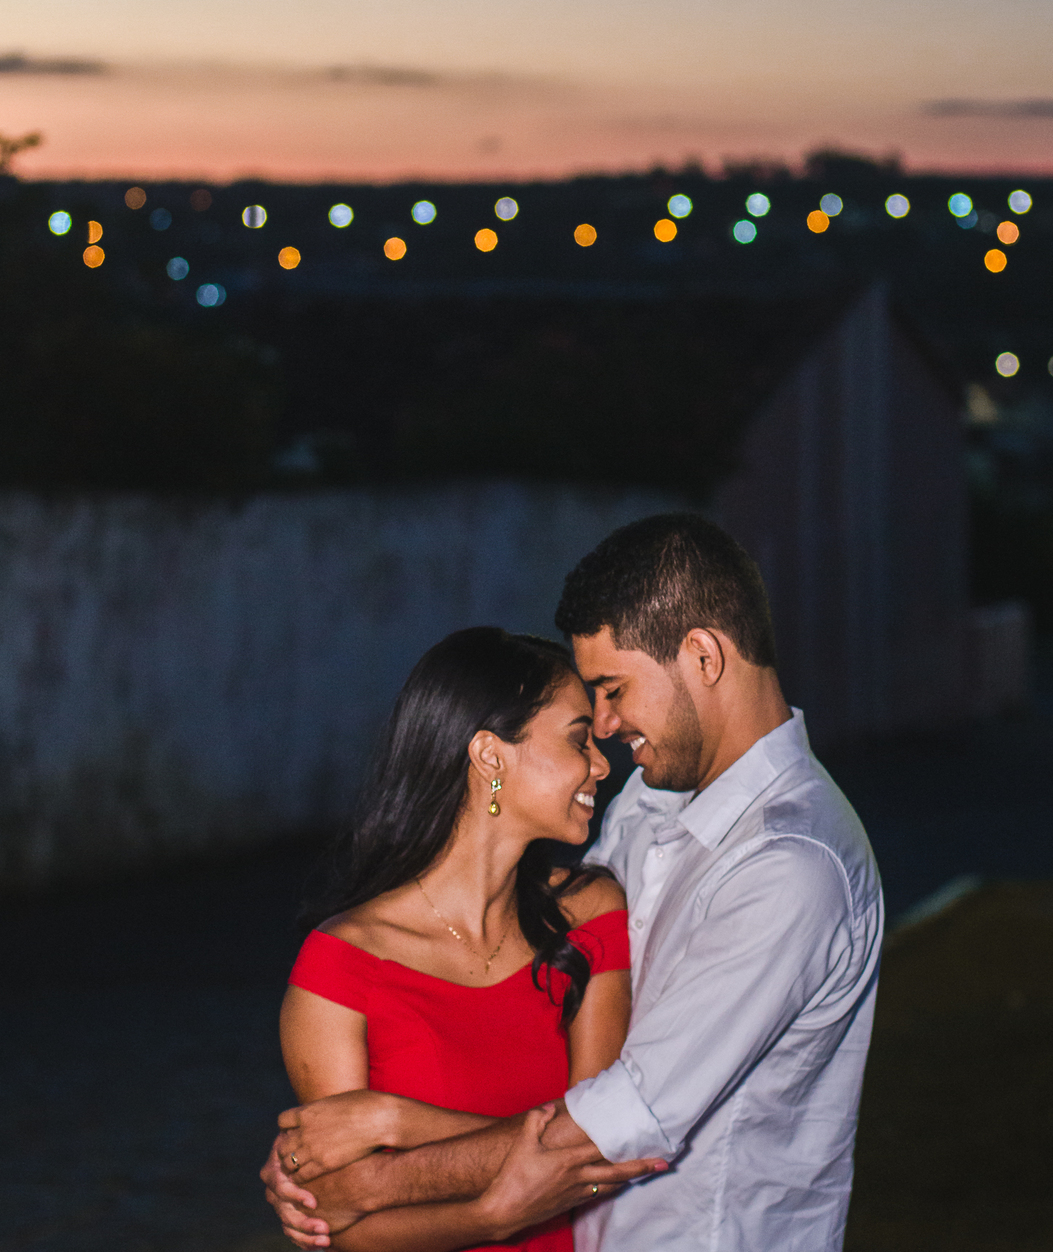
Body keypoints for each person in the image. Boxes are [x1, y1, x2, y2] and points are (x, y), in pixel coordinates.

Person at [265, 514, 883, 1252]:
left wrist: (371, 1172)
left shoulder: (791, 865)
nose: (606, 725)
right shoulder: (653, 804)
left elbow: (628, 1118)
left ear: (703, 655)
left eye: (613, 689)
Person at [269, 625, 664, 1252]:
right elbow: (340, 1220)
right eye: (577, 738)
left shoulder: (588, 911)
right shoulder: (340, 965)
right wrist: (491, 1218)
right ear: (489, 755)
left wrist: (395, 1121)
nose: (600, 763)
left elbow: (601, 1146)